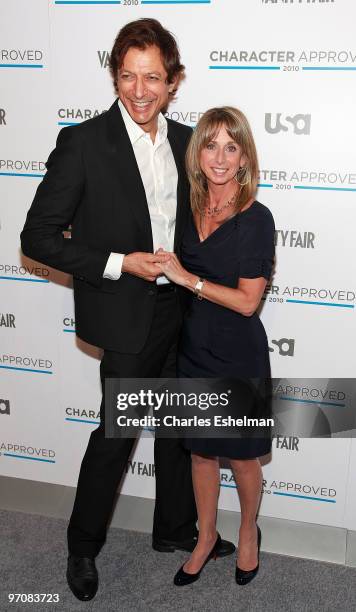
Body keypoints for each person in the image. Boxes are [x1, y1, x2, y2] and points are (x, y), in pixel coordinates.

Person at [20, 20, 234, 602]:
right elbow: (38, 236)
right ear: (114, 75)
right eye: (127, 77)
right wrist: (121, 261)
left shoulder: (191, 142)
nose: (139, 92)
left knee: (178, 430)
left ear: (173, 82)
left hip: (183, 312)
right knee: (117, 437)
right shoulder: (84, 143)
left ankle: (175, 530)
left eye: (153, 78)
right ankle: (82, 547)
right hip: (124, 311)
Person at [156, 106, 275, 586]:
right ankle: (206, 536)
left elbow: (249, 302)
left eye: (231, 146)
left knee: (242, 455)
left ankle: (248, 533)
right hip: (194, 348)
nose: (220, 157)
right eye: (211, 145)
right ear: (197, 152)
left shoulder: (257, 219)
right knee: (202, 453)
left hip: (238, 352)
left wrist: (189, 279)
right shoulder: (190, 206)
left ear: (245, 156)